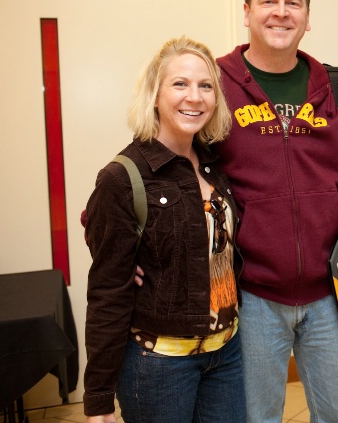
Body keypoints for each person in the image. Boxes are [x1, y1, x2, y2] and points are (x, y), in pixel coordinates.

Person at [214, 0, 338, 423]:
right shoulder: (213, 85)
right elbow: (161, 165)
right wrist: (133, 249)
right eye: (267, 0)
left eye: (293, 2)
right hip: (251, 294)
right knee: (256, 417)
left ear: (307, 18)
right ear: (247, 12)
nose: (281, 12)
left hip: (329, 295)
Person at [83, 36, 243, 423]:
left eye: (206, 86)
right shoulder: (123, 177)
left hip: (227, 355)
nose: (195, 96)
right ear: (155, 95)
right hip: (158, 366)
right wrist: (99, 396)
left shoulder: (213, 166)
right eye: (180, 84)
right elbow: (107, 293)